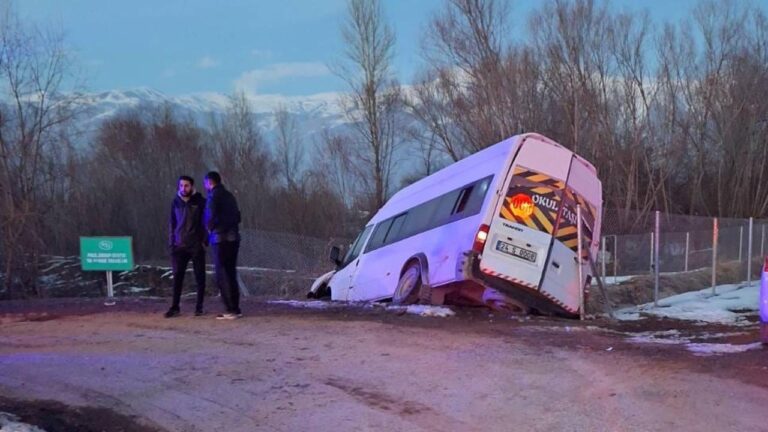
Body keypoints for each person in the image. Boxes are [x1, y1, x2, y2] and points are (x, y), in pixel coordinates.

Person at [165, 175, 208, 318]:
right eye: (181, 185)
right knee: (178, 277)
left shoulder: (200, 201)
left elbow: (206, 222)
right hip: (179, 246)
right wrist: (172, 243)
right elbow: (172, 223)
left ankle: (199, 307)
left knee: (200, 277)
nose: (184, 188)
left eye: (186, 185)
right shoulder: (175, 202)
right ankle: (175, 307)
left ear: (192, 186)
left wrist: (204, 241)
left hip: (196, 245)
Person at [203, 171, 243, 320]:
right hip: (234, 237)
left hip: (220, 238)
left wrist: (209, 228)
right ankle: (236, 307)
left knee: (222, 273)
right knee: (231, 272)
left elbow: (210, 215)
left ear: (209, 182)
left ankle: (230, 309)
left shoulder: (213, 196)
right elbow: (238, 216)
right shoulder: (230, 196)